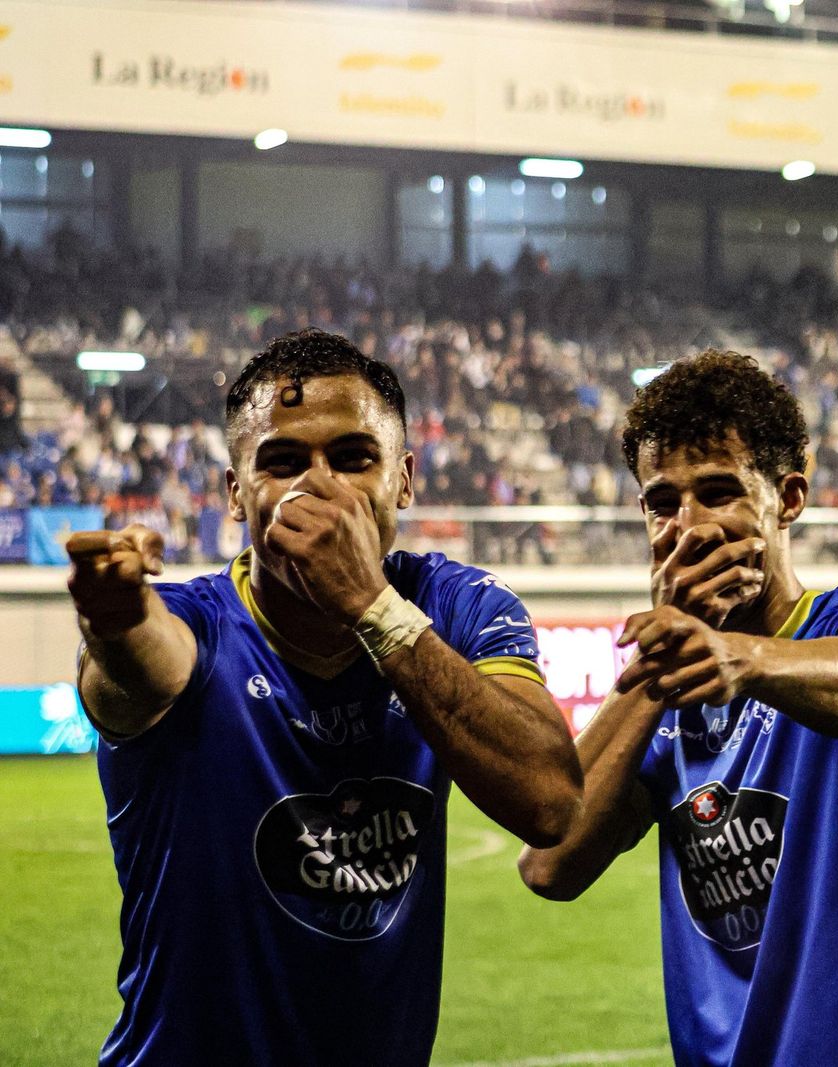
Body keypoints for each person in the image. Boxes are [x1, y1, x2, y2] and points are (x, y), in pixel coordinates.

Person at [67, 328, 583, 1067]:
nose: (319, 485)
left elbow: (550, 802)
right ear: (235, 491)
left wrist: (371, 605)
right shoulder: (193, 622)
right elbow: (136, 666)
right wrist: (114, 621)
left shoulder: (458, 605)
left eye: (352, 457)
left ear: (404, 479)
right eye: (282, 462)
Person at [518, 349, 838, 1066]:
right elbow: (550, 864)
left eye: (718, 492)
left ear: (789, 498)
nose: (688, 527)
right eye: (662, 503)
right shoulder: (665, 698)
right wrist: (660, 670)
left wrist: (740, 658)